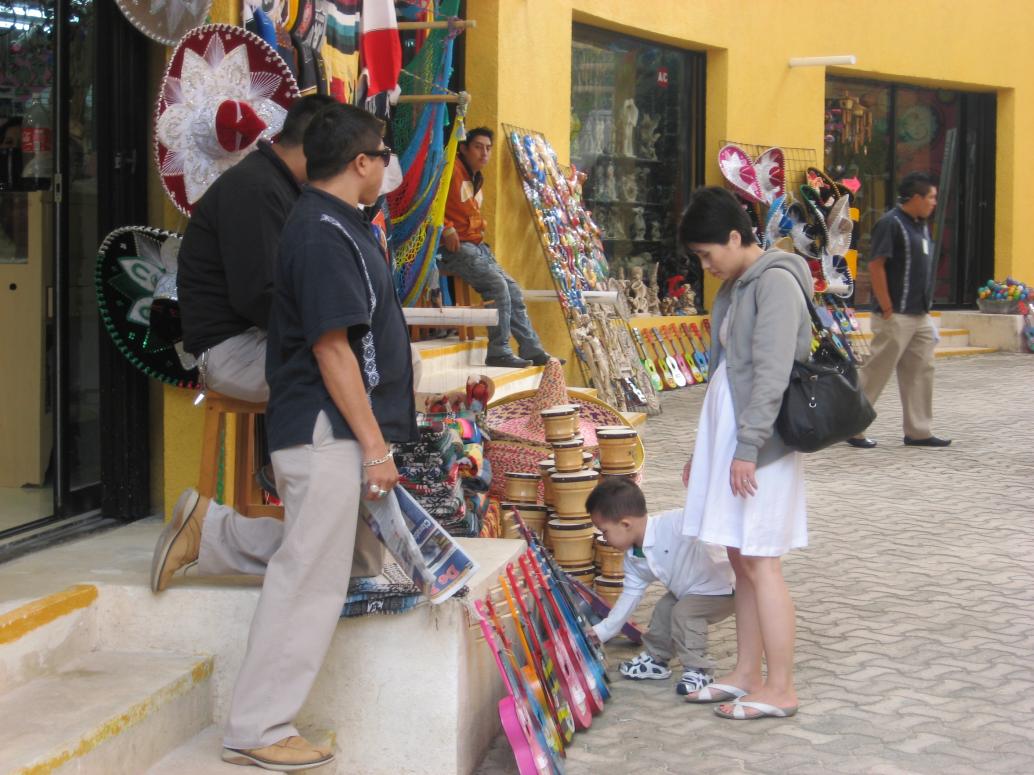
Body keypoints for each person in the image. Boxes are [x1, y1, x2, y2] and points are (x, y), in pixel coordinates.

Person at [154, 102, 417, 771]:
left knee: (344, 557)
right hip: (325, 423)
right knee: (309, 578)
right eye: (384, 155)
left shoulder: (330, 220)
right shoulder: (322, 231)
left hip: (329, 423)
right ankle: (258, 725)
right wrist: (375, 446)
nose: (388, 168)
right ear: (361, 162)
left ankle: (215, 535)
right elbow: (331, 348)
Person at [677, 186, 811, 720]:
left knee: (760, 558)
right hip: (734, 441)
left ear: (735, 237)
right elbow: (725, 372)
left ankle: (781, 688)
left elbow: (773, 373)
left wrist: (748, 446)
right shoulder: (737, 286)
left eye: (707, 254)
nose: (705, 266)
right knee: (739, 556)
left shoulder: (776, 282)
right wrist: (705, 452)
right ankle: (746, 674)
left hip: (761, 443)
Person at [177, 93, 337, 404]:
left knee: (380, 355)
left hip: (262, 338)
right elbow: (260, 296)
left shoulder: (278, 183)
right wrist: (330, 328)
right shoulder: (256, 187)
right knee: (365, 368)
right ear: (321, 146)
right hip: (232, 349)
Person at [586, 478, 735, 696]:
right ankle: (657, 660)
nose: (604, 538)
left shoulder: (673, 524)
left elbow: (706, 515)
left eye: (604, 531)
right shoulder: (633, 559)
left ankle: (699, 669)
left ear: (625, 524)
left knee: (684, 613)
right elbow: (629, 598)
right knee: (665, 609)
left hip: (723, 588)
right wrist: (602, 631)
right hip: (690, 591)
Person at [441, 127, 560, 368]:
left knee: (512, 289)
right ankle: (499, 351)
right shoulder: (450, 169)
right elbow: (429, 202)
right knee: (497, 285)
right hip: (452, 248)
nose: (484, 153)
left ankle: (532, 349)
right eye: (478, 147)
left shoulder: (476, 177)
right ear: (463, 148)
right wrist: (445, 227)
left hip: (476, 246)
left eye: (488, 148)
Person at [847, 171, 951, 449]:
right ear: (916, 197)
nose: (934, 202)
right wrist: (887, 306)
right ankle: (852, 427)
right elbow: (876, 265)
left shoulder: (921, 225)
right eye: (931, 197)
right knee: (876, 371)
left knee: (921, 370)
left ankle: (919, 432)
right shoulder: (890, 223)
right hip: (895, 315)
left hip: (920, 314)